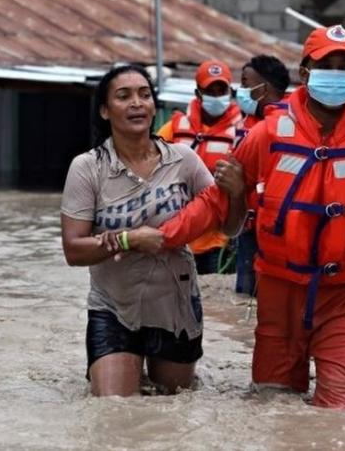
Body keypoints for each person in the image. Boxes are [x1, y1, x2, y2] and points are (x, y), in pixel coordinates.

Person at [129, 25, 345, 408]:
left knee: (339, 413)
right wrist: (156, 236)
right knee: (271, 405)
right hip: (279, 295)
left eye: (343, 66)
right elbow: (215, 202)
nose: (335, 72)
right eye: (325, 64)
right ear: (304, 73)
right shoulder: (268, 134)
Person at [60, 64, 245, 397]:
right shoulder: (87, 168)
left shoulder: (184, 160)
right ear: (104, 110)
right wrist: (131, 239)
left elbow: (230, 228)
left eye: (144, 95)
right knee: (114, 408)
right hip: (114, 307)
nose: (137, 103)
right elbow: (73, 250)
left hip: (175, 307)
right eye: (124, 96)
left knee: (172, 408)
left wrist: (238, 193)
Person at [156, 60, 243, 274]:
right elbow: (148, 164)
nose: (215, 95)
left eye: (220, 90)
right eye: (209, 90)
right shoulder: (174, 128)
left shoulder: (242, 134)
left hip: (216, 239)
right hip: (176, 234)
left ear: (230, 92)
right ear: (198, 92)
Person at [233, 55, 291, 296]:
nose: (241, 90)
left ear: (263, 88)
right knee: (245, 296)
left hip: (281, 229)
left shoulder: (292, 125)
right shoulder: (245, 122)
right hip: (246, 226)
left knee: (276, 297)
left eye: (246, 83)